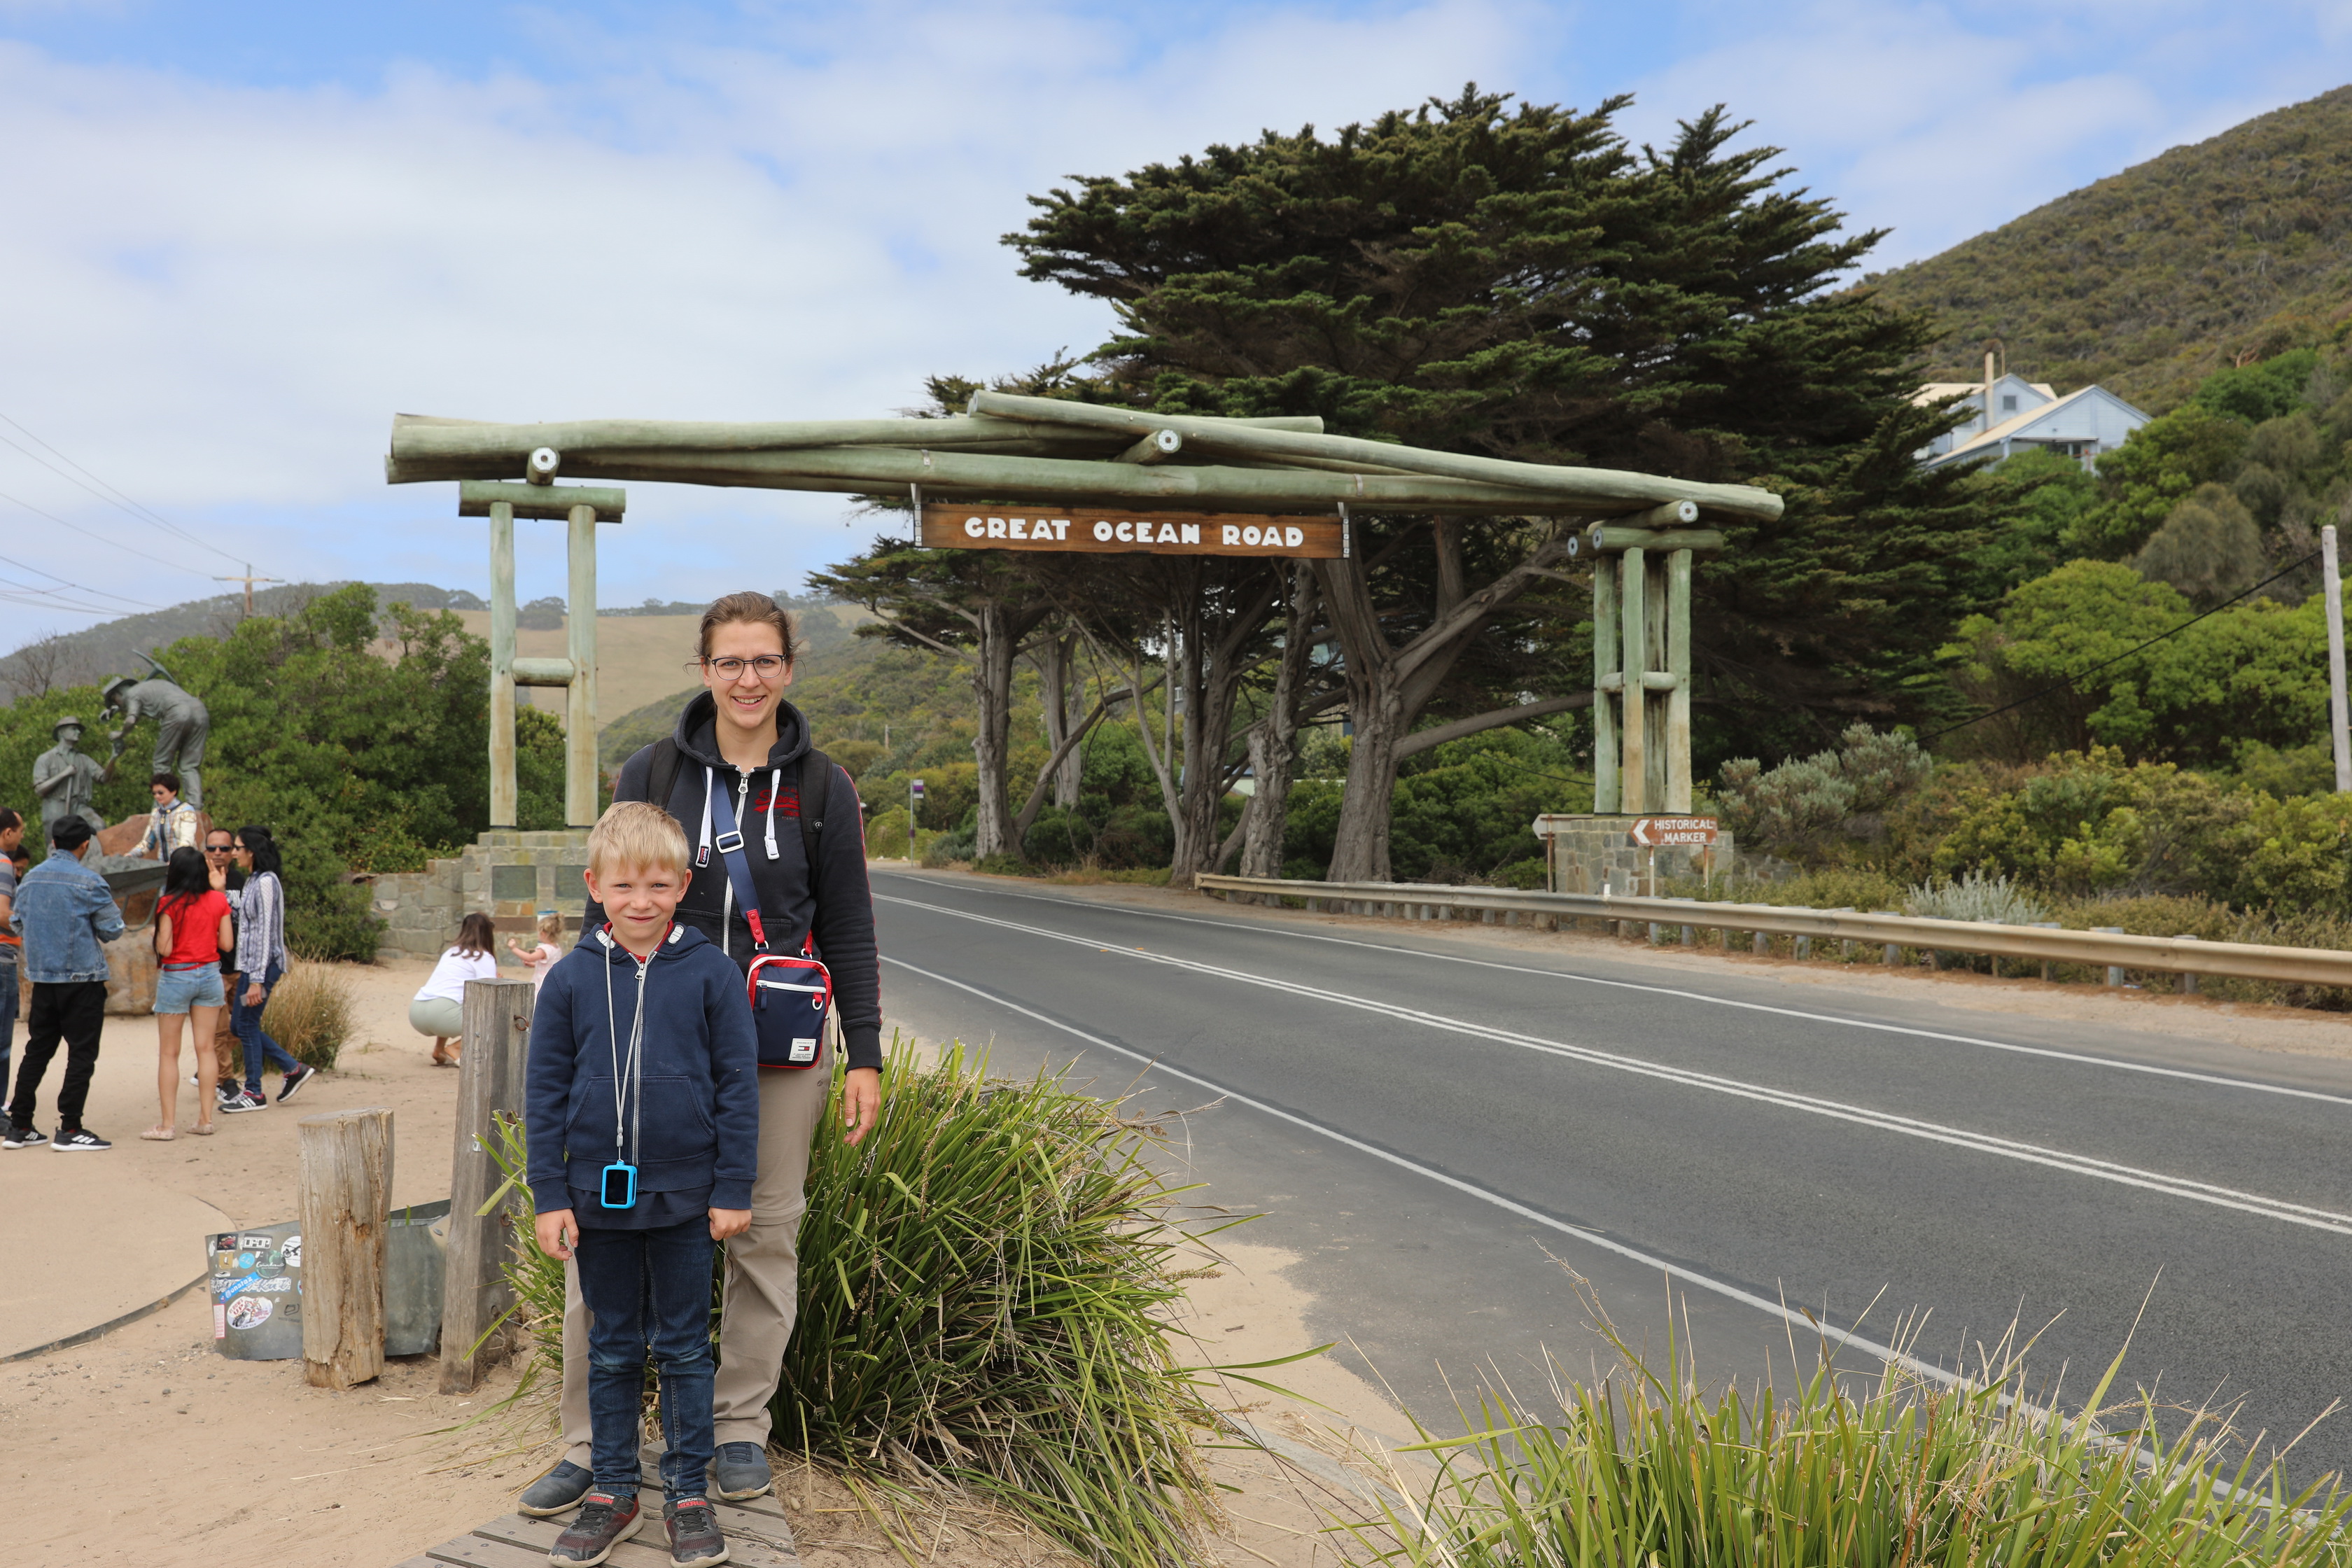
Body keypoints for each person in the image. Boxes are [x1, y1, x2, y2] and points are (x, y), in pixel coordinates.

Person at [517, 590, 882, 1518]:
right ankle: (589, 1441)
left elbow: (848, 926)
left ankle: (737, 1431)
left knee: (763, 1233)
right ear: (705, 669)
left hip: (774, 1045)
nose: (748, 678)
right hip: (653, 1036)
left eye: (765, 661)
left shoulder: (824, 787)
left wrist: (866, 1053)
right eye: (730, 662)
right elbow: (615, 887)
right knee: (608, 1229)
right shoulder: (654, 768)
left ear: (789, 669)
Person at [526, 802, 755, 1567]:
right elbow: (545, 1093)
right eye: (624, 885)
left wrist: (733, 1185)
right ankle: (615, 1489)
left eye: (659, 883)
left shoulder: (714, 974)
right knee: (614, 1346)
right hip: (597, 1196)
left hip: (690, 1196)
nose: (642, 901)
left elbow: (736, 1090)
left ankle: (689, 1494)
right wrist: (550, 1195)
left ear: (684, 883)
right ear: (596, 885)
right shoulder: (569, 979)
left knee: (688, 1346)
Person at [6, 816, 123, 1151]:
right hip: (82, 979)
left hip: (43, 980)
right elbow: (113, 930)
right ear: (85, 844)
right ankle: (70, 1128)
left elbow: (16, 923)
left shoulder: (29, 880)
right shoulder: (90, 881)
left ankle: (20, 1125)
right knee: (82, 1053)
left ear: (54, 841)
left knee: (37, 1051)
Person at [221, 825, 312, 1112]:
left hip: (262, 966)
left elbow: (265, 934)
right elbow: (244, 920)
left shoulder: (265, 882)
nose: (233, 853)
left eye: (237, 848)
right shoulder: (254, 880)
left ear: (252, 851)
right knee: (240, 1024)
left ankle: (255, 1092)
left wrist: (257, 981)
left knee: (245, 1025)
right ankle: (292, 1068)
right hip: (251, 965)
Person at [146, 846, 231, 1140]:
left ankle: (168, 1125)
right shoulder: (218, 900)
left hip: (177, 977)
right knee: (206, 1049)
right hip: (209, 974)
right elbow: (228, 944)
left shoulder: (168, 902)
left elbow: (165, 948)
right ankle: (205, 1119)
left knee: (169, 1053)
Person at [101, 672, 211, 811]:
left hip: (177, 713)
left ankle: (163, 805)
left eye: (114, 701)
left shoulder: (131, 695)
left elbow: (131, 719)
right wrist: (114, 710)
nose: (117, 704)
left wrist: (121, 734)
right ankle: (195, 805)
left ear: (117, 695)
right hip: (200, 711)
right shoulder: (151, 686)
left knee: (161, 762)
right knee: (189, 765)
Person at [411, 913, 499, 1065]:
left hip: (417, 1011)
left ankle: (439, 1049)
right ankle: (456, 1048)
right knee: (496, 1016)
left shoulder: (451, 952)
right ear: (488, 932)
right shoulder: (484, 957)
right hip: (442, 1015)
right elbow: (490, 993)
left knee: (454, 1000)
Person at [31, 716, 106, 840]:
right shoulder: (46, 759)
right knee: (56, 845)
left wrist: (114, 758)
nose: (78, 733)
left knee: (99, 825)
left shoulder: (83, 759)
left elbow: (104, 778)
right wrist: (63, 774)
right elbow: (39, 790)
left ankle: (97, 858)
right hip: (56, 806)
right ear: (61, 733)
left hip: (79, 806)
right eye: (74, 729)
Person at [0, 808, 23, 1089]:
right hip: (3, 956)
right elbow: (3, 914)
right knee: (2, 1043)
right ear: (8, 833)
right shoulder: (4, 863)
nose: (21, 836)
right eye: (20, 830)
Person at [136, 772, 202, 860]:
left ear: (173, 791)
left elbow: (187, 842)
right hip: (163, 864)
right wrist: (131, 854)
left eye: (161, 793)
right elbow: (148, 842)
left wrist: (175, 861)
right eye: (154, 793)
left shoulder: (186, 810)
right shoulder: (156, 813)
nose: (157, 796)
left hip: (185, 863)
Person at [507, 911, 564, 995]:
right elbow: (549, 965)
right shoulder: (557, 948)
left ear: (543, 934)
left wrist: (514, 948)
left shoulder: (544, 949)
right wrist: (535, 965)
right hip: (552, 982)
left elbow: (530, 957)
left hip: (541, 982)